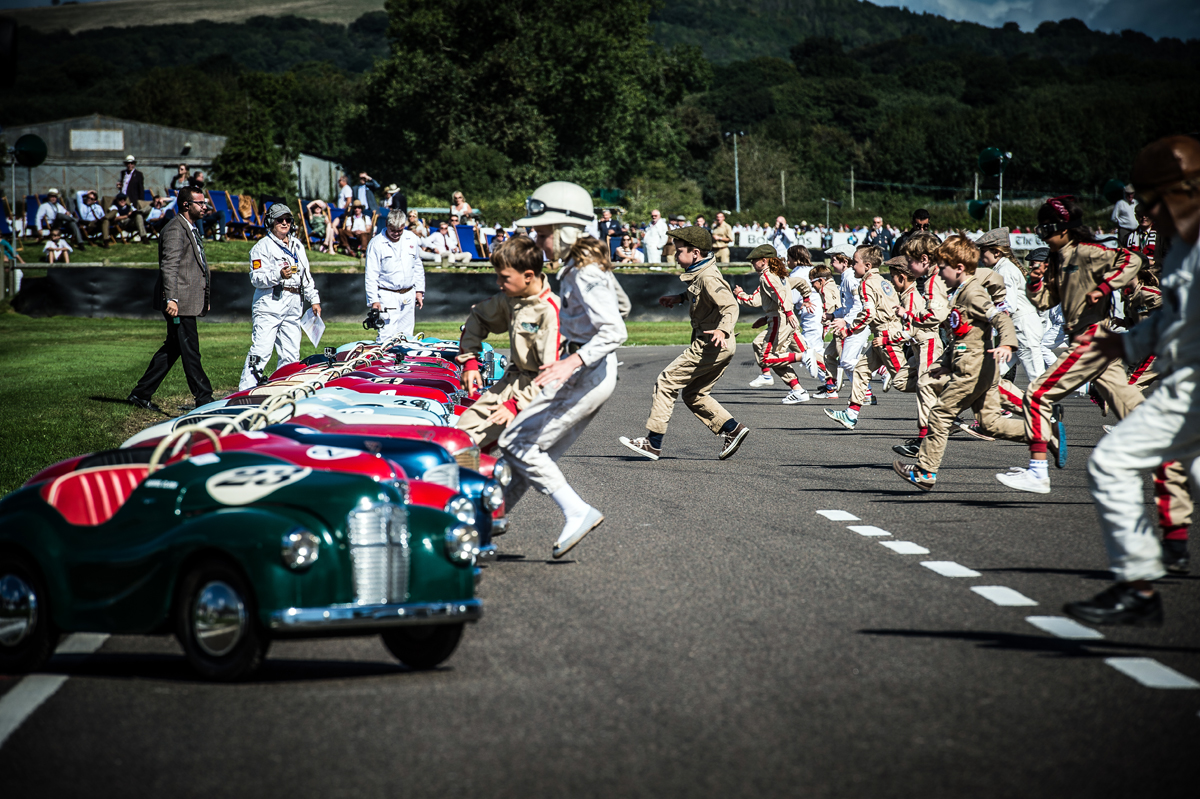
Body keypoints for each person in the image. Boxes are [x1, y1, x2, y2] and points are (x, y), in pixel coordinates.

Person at [1062, 135, 1200, 625]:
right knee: (1121, 463)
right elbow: (1176, 317)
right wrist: (1126, 344)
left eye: (1151, 201)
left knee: (1114, 462)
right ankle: (1140, 587)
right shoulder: (1182, 249)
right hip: (1186, 384)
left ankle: (1140, 586)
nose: (1145, 215)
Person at [499, 181, 628, 559]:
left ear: (567, 229)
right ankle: (489, 520)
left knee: (517, 443)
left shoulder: (584, 272)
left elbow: (616, 329)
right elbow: (623, 304)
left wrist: (572, 358)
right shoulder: (582, 267)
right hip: (590, 370)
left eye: (543, 233)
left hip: (585, 372)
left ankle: (577, 511)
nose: (538, 243)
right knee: (525, 448)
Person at [996, 196, 1146, 494]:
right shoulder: (1056, 259)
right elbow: (1044, 301)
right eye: (1039, 230)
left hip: (1093, 338)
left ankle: (1038, 472)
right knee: (1134, 411)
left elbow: (1131, 260)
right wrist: (1035, 282)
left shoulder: (1089, 252)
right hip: (1093, 343)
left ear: (1065, 228)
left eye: (1047, 229)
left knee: (1037, 394)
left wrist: (1105, 286)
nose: (1043, 236)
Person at [892, 235, 1026, 491]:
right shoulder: (966, 283)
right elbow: (992, 281)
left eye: (911, 260)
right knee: (991, 423)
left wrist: (1006, 333)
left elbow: (942, 314)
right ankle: (1044, 429)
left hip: (973, 361)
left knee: (940, 409)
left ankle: (925, 470)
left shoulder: (950, 286)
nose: (941, 274)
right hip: (968, 356)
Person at [620, 226, 747, 460]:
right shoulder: (701, 272)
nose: (676, 256)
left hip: (712, 343)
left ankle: (652, 443)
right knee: (693, 394)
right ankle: (732, 429)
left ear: (695, 253)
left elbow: (730, 306)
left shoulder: (708, 276)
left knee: (666, 381)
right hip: (717, 345)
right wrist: (679, 297)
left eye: (679, 251)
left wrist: (722, 329)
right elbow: (698, 293)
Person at [455, 237, 561, 449]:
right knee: (460, 438)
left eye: (504, 278)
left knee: (527, 462)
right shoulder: (511, 298)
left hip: (540, 396)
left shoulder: (550, 312)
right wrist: (470, 362)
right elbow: (478, 317)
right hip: (511, 383)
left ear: (528, 276)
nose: (498, 284)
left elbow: (553, 376)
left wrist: (515, 405)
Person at [128, 185, 213, 412]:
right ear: (186, 205)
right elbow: (170, 266)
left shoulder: (191, 227)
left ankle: (140, 393)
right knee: (190, 350)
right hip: (179, 302)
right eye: (200, 203)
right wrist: (172, 299)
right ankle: (204, 398)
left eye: (204, 202)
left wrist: (204, 296)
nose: (205, 207)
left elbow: (197, 267)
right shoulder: (175, 229)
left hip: (188, 300)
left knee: (173, 348)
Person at [237, 204, 321, 390]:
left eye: (288, 220)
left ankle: (285, 389)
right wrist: (278, 274)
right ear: (270, 222)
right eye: (279, 220)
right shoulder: (261, 247)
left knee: (291, 353)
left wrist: (313, 299)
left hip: (294, 301)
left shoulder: (297, 245)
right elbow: (256, 278)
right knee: (262, 349)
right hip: (271, 301)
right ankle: (245, 389)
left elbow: (306, 274)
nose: (284, 223)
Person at [824, 245, 903, 429]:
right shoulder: (882, 281)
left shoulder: (866, 283)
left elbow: (868, 313)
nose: (852, 267)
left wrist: (849, 329)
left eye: (856, 263)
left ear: (867, 265)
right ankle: (851, 415)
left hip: (885, 335)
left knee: (905, 381)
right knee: (860, 369)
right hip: (881, 333)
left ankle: (946, 412)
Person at [735, 244, 812, 404]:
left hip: (782, 320)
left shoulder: (767, 276)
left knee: (767, 357)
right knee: (761, 345)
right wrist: (805, 298)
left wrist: (789, 312)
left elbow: (780, 294)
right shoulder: (775, 275)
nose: (752, 264)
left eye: (754, 261)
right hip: (781, 319)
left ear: (764, 261)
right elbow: (797, 283)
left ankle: (806, 362)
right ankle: (796, 388)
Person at [976, 227, 1045, 383]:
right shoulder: (1002, 268)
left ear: (996, 252)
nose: (980, 255)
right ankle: (1005, 405)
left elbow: (1008, 305)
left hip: (1023, 327)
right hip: (1017, 329)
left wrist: (988, 318)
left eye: (983, 251)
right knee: (992, 373)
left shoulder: (1005, 270)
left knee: (1038, 379)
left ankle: (1088, 389)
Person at [366, 207, 426, 342]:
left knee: (407, 335)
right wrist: (374, 300)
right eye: (393, 230)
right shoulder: (376, 243)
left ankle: (405, 362)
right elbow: (371, 274)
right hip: (387, 294)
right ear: (387, 225)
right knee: (387, 334)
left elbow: (417, 265)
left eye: (400, 230)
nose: (396, 234)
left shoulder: (411, 238)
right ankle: (384, 362)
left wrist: (419, 291)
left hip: (409, 293)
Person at [1111, 184, 1139, 248]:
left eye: (1132, 194)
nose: (1130, 196)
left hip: (1136, 230)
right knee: (1123, 248)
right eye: (1128, 194)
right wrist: (1122, 222)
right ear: (1125, 194)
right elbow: (1113, 217)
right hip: (1124, 230)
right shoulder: (1120, 203)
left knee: (1135, 247)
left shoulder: (1136, 203)